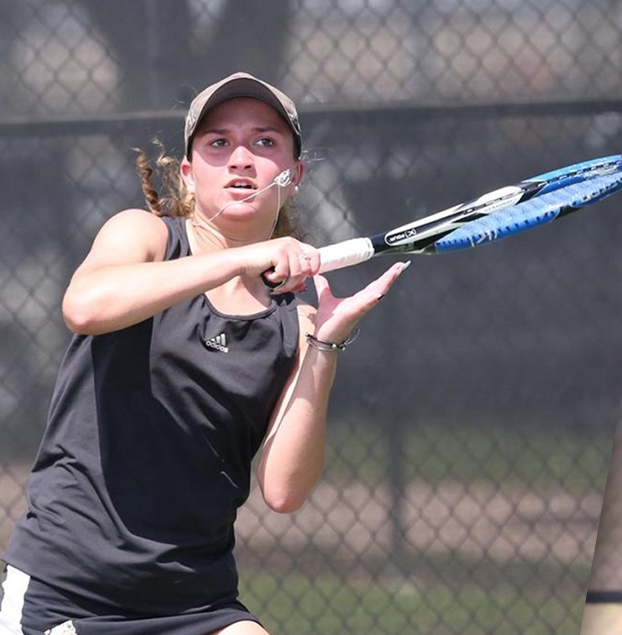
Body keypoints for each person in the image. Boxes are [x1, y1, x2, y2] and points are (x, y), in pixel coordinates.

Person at [0, 72, 409, 635]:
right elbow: (85, 307)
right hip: (71, 593)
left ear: (294, 176)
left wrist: (325, 345)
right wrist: (240, 258)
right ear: (190, 174)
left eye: (265, 142)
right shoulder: (143, 237)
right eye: (219, 144)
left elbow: (284, 491)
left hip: (196, 601)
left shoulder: (296, 322)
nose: (241, 158)